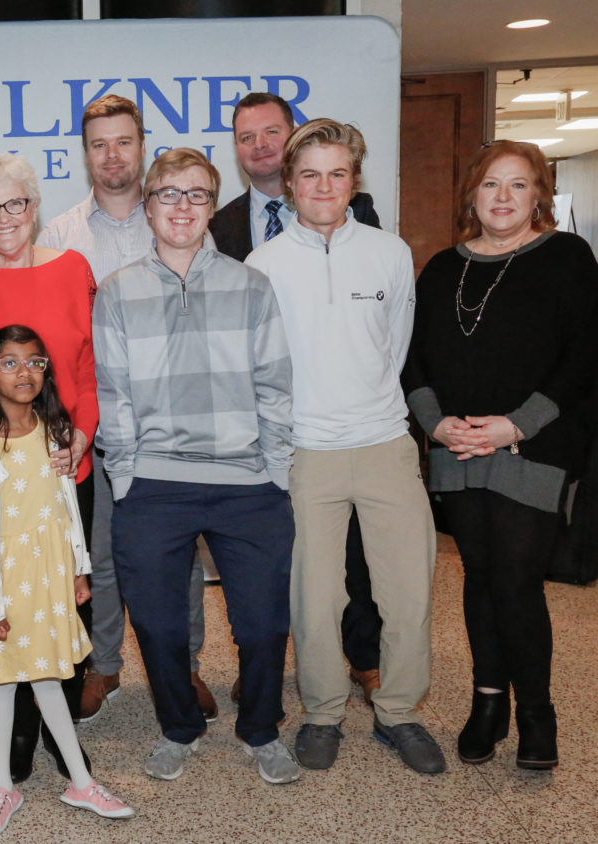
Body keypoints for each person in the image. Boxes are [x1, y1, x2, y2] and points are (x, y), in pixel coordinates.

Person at [245, 119, 445, 775]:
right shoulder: (263, 266)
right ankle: (324, 712)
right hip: (307, 453)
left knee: (408, 591)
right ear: (290, 183)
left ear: (353, 180)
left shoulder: (389, 252)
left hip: (386, 444)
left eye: (336, 173)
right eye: (309, 175)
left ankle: (399, 712)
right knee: (314, 597)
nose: (323, 186)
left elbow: (396, 342)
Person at [93, 148, 299, 785]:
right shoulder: (118, 290)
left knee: (264, 624)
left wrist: (274, 470)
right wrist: (126, 478)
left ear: (213, 205)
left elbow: (274, 385)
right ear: (148, 205)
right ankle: (179, 726)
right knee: (155, 626)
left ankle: (261, 728)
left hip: (247, 485)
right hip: (154, 485)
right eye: (168, 195)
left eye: (197, 195)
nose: (182, 207)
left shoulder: (250, 284)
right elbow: (113, 391)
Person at [402, 140, 598, 770]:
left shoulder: (567, 257)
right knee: (480, 577)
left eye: (518, 185)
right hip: (458, 448)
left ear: (540, 194)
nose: (504, 197)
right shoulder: (440, 268)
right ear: (473, 195)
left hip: (534, 445)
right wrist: (439, 425)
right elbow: (414, 361)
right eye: (491, 185)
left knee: (516, 581)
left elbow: (584, 357)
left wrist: (515, 426)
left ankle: (538, 713)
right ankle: (489, 703)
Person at [39, 94, 217, 723]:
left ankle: (188, 665)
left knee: (181, 554)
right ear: (84, 153)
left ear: (142, 146)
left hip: (173, 424)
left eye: (123, 141)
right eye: (98, 144)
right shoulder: (59, 235)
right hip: (99, 426)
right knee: (100, 553)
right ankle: (104, 668)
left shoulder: (177, 217)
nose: (112, 155)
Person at [209, 91, 383, 704]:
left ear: (291, 139)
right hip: (258, 422)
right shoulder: (219, 224)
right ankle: (266, 669)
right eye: (245, 135)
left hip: (341, 425)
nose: (258, 143)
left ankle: (364, 656)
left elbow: (384, 330)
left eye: (271, 131)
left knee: (352, 551)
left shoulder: (357, 214)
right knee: (268, 554)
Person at [0, 152, 98, 781]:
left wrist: (83, 439)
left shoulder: (72, 268)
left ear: (35, 209)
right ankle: (20, 733)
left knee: (67, 596)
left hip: (64, 467)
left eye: (16, 204)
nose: (4, 218)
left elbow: (88, 372)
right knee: (5, 599)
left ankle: (61, 731)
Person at [0, 325, 134, 835]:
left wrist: (80, 568)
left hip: (51, 575)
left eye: (35, 362)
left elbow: (68, 510)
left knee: (49, 675)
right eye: (10, 363)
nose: (24, 373)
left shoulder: (57, 433)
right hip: (10, 584)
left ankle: (79, 781)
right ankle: (2, 785)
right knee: (5, 680)